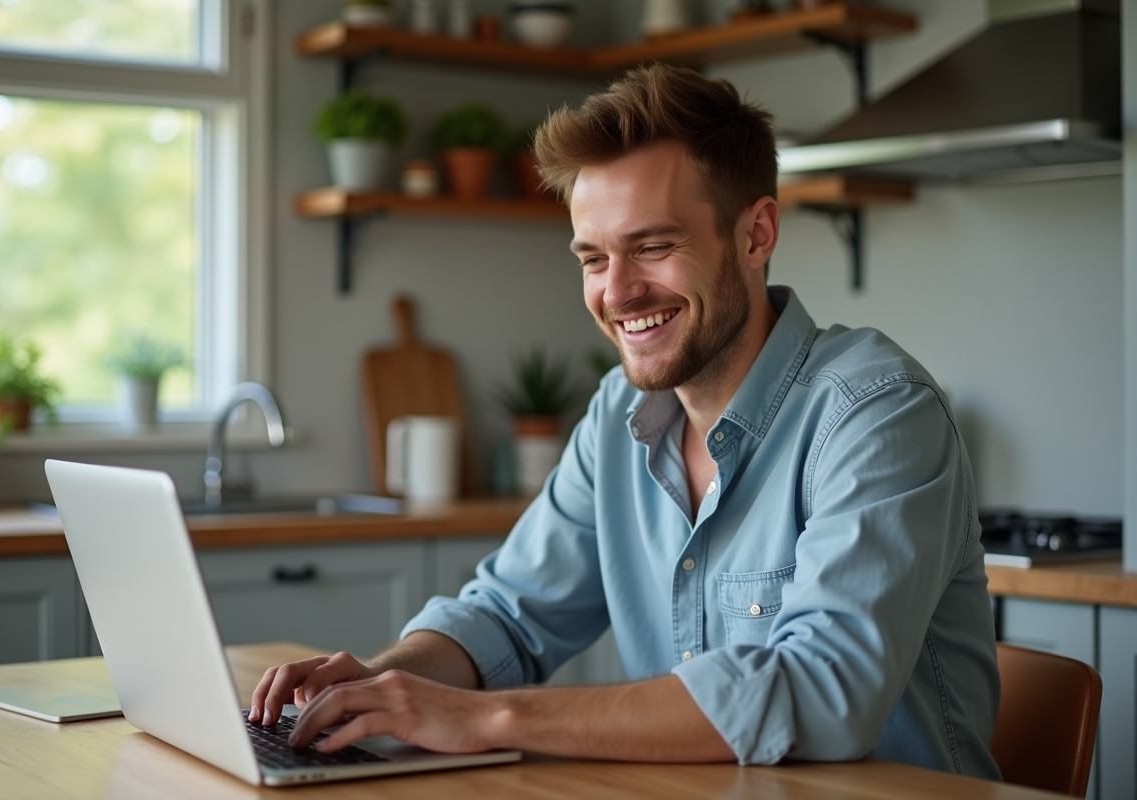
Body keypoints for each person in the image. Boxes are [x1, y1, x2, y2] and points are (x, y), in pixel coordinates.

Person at [250, 63, 1001, 779]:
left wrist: (486, 719)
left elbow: (821, 694)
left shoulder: (874, 411)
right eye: (592, 258)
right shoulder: (619, 415)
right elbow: (507, 616)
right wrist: (379, 685)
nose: (617, 292)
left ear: (756, 235)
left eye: (652, 246)